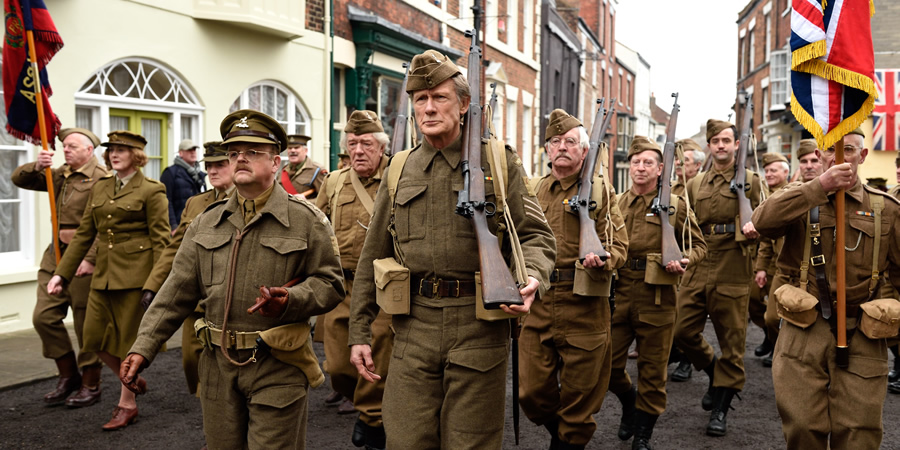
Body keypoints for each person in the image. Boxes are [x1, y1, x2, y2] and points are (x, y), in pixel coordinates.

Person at [347, 49, 556, 449]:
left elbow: (537, 236)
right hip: (412, 328)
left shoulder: (498, 161)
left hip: (478, 328)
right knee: (406, 440)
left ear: (463, 104)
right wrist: (359, 332)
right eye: (420, 99)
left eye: (439, 97)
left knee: (470, 444)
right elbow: (372, 254)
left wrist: (531, 277)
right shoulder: (399, 167)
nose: (428, 108)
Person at [120, 110, 344, 449]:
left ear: (275, 163)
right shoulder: (206, 223)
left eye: (253, 152)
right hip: (216, 366)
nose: (240, 158)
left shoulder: (306, 221)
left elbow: (331, 284)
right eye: (234, 152)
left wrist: (292, 299)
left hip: (277, 364)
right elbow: (175, 292)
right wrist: (143, 347)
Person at [753, 128, 900, 449]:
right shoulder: (799, 198)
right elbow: (762, 222)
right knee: (803, 428)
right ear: (819, 155)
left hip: (863, 332)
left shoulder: (885, 208)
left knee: (859, 432)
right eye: (831, 150)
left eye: (849, 150)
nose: (839, 157)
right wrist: (817, 188)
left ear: (862, 156)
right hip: (804, 329)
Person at [518, 108, 627, 449]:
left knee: (581, 397)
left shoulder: (601, 191)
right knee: (531, 392)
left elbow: (620, 244)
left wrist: (605, 260)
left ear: (584, 150)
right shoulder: (532, 190)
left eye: (570, 141)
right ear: (547, 150)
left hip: (585, 302)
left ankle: (568, 441)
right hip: (540, 299)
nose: (562, 147)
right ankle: (561, 434)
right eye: (555, 142)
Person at [46, 130, 170, 430]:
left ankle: (126, 405)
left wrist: (155, 285)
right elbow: (86, 235)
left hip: (136, 279)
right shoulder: (101, 188)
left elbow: (162, 242)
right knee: (92, 338)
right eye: (111, 149)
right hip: (103, 276)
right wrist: (61, 273)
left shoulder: (152, 190)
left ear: (137, 156)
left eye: (122, 150)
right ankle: (131, 377)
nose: (114, 154)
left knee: (129, 344)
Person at [610, 136, 706, 450]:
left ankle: (643, 434)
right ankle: (629, 402)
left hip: (657, 298)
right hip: (619, 294)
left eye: (648, 162)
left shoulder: (675, 205)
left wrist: (685, 260)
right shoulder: (616, 202)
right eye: (636, 161)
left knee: (652, 370)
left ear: (660, 168)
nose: (640, 167)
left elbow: (699, 246)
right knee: (606, 365)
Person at [672, 119, 763, 437]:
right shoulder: (696, 184)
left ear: (737, 144)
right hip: (700, 262)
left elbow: (767, 221)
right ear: (709, 146)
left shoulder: (751, 181)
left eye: (727, 140)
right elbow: (684, 224)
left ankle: (721, 408)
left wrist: (755, 230)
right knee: (681, 329)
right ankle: (713, 371)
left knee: (733, 344)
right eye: (715, 141)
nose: (721, 145)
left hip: (734, 266)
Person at [11, 128, 108, 408]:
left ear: (89, 150)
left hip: (83, 256)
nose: (66, 150)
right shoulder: (59, 175)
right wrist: (37, 165)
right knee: (44, 317)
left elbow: (103, 224)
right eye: (64, 146)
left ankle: (91, 382)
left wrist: (90, 257)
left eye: (72, 146)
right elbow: (20, 179)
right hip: (55, 254)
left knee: (84, 321)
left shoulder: (101, 179)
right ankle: (68, 375)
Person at [315, 110, 392, 449]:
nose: (358, 150)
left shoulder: (400, 175)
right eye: (352, 144)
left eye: (366, 143)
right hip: (341, 287)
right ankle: (369, 410)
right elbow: (315, 229)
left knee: (374, 362)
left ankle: (373, 420)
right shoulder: (334, 182)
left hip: (383, 289)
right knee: (337, 366)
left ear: (381, 146)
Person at [140, 141, 234, 395]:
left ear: (235, 164)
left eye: (220, 165)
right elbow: (175, 248)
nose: (213, 171)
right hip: (198, 295)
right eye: (209, 166)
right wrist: (152, 286)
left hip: (233, 297)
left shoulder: (248, 200)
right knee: (191, 361)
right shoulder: (196, 203)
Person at [749, 152, 790, 365]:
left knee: (775, 316)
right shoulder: (766, 195)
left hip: (788, 266)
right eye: (767, 171)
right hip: (771, 264)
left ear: (786, 172)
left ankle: (778, 349)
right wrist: (761, 268)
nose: (769, 174)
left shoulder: (793, 194)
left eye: (774, 170)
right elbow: (766, 239)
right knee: (753, 300)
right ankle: (769, 335)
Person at [160, 139, 206, 229]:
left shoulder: (200, 174)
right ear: (181, 153)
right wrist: (173, 226)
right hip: (179, 225)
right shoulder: (170, 173)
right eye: (189, 150)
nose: (193, 153)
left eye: (194, 150)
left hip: (198, 224)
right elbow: (165, 201)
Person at [280, 134, 327, 200]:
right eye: (290, 148)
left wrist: (306, 202)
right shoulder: (283, 171)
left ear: (305, 151)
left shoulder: (317, 170)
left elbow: (326, 198)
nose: (292, 151)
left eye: (296, 148)